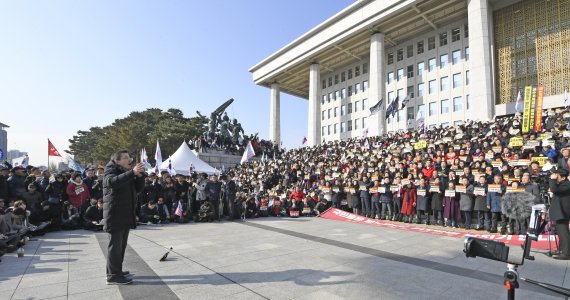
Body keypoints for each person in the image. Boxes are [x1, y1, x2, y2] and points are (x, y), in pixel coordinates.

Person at [102, 150, 146, 285]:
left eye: (130, 157)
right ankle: (113, 276)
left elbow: (138, 189)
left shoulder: (125, 171)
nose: (130, 160)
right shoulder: (110, 169)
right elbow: (111, 182)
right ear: (117, 160)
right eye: (126, 158)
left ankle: (116, 271)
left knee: (121, 246)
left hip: (125, 214)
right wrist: (132, 173)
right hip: (115, 214)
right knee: (115, 247)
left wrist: (140, 176)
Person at [549, 169, 570, 260]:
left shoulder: (567, 184)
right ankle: (562, 249)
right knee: (561, 232)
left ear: (564, 177)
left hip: (563, 212)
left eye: (557, 175)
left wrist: (552, 180)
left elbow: (554, 190)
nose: (555, 177)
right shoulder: (562, 184)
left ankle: (567, 253)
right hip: (560, 211)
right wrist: (553, 179)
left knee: (564, 232)